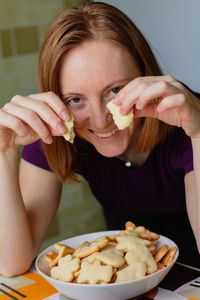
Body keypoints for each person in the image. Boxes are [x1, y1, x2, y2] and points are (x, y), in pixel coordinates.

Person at [0, 1, 199, 276]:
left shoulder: (189, 120)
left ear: (145, 73)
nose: (100, 120)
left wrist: (198, 133)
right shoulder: (53, 128)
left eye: (115, 90)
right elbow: (10, 263)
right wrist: (4, 151)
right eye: (76, 99)